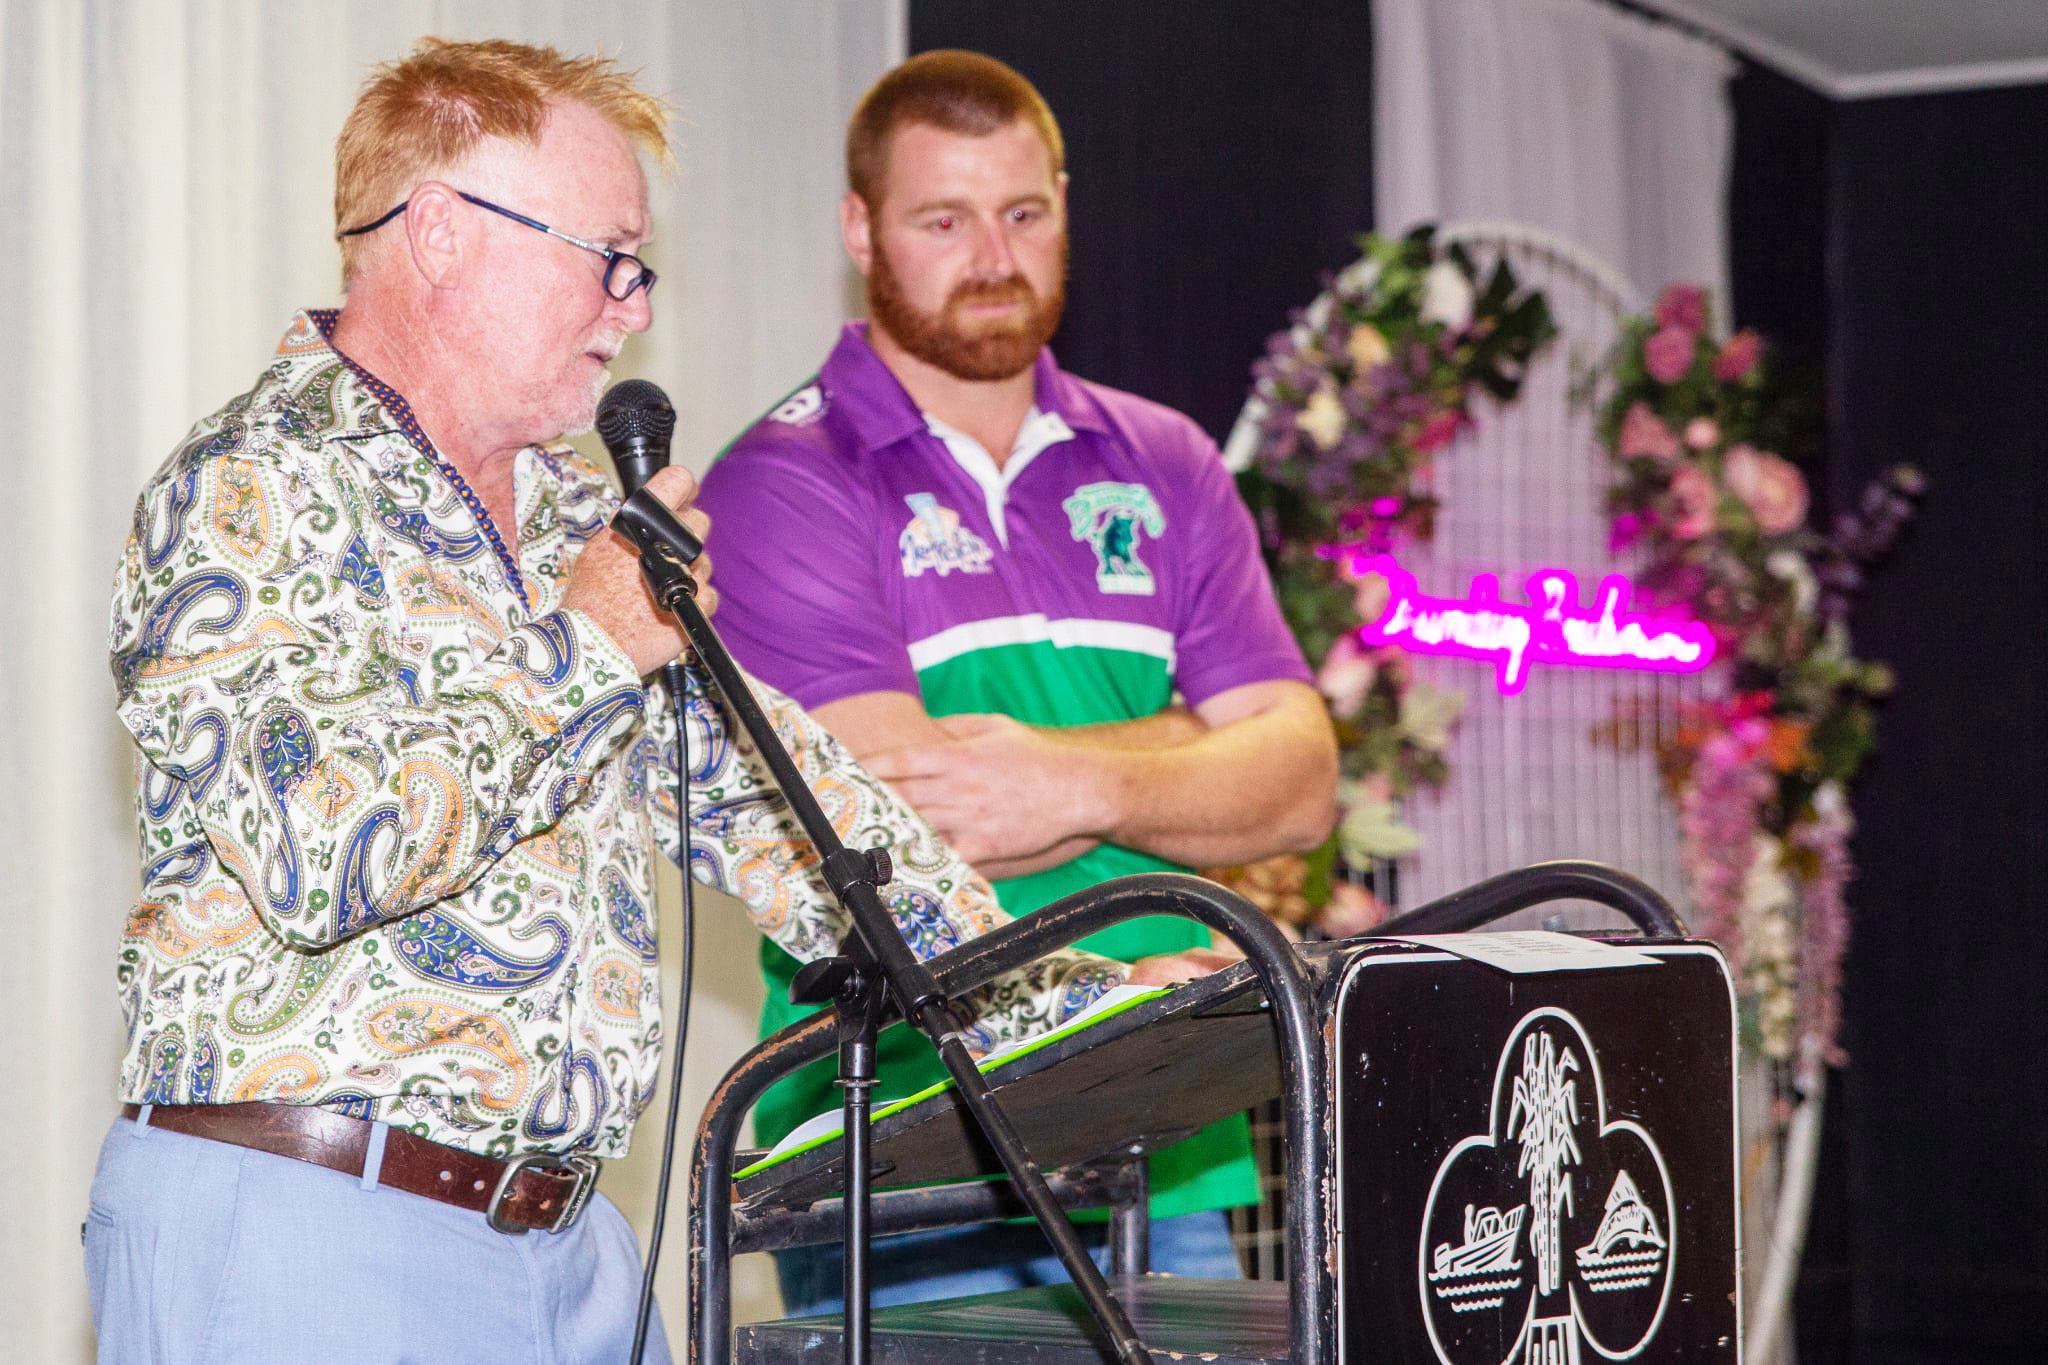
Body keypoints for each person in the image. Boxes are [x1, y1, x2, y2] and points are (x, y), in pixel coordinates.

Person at [89, 39, 1214, 1363]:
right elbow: (319, 850)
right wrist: (589, 646)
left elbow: (789, 815)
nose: (629, 309)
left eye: (641, 267)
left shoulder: (575, 515)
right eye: (607, 257)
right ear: (441, 232)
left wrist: (1071, 993)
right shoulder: (248, 488)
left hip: (570, 1249)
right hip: (307, 1219)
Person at [698, 50, 1339, 1315]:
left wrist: (1070, 781)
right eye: (943, 220)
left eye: (1023, 213)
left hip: (1173, 1135)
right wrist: (1185, 745)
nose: (992, 256)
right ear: (860, 230)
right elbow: (906, 824)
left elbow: (1300, 782)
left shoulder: (1165, 459)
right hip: (904, 1149)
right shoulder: (781, 478)